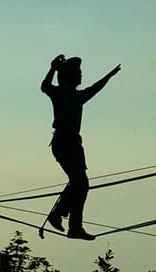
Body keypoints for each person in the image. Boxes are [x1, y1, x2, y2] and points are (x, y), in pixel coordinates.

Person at [41, 54, 121, 240]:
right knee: (80, 184)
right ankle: (73, 226)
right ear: (70, 76)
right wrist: (53, 68)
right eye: (78, 72)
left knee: (78, 183)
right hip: (65, 142)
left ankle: (60, 215)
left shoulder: (76, 96)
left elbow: (95, 88)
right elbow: (45, 86)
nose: (81, 76)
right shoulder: (62, 94)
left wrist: (109, 76)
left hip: (72, 144)